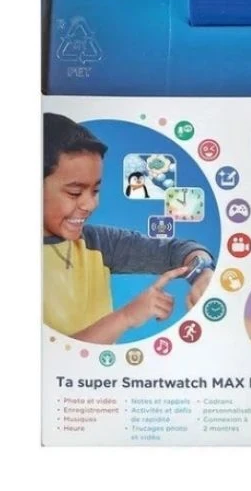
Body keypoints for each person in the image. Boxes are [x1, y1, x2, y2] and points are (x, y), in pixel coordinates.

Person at [43, 114, 214, 343]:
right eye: (75, 193)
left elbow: (174, 250)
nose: (90, 204)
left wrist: (201, 271)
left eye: (95, 191)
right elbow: (54, 356)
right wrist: (126, 317)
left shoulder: (98, 243)